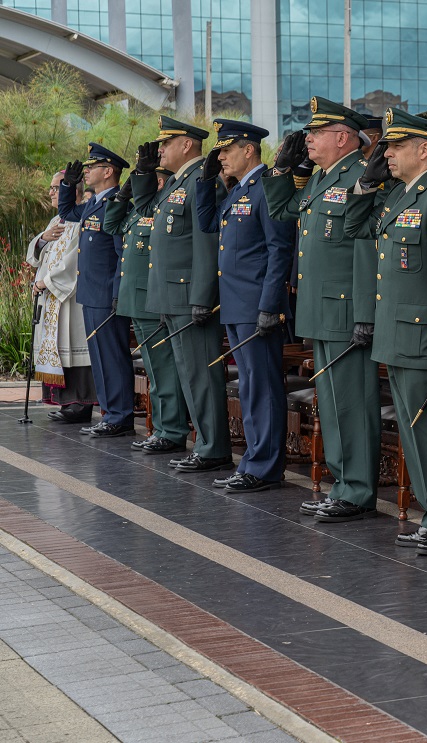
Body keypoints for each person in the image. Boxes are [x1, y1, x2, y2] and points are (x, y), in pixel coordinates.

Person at [345, 108, 427, 554]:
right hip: (397, 335)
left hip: (425, 336)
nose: (388, 154)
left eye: (396, 147)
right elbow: (355, 227)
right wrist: (366, 183)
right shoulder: (401, 195)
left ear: (425, 149)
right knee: (413, 430)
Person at [263, 98, 381, 522]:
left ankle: (358, 490)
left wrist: (365, 313)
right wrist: (280, 171)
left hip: (346, 309)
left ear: (343, 138)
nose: (308, 139)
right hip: (319, 307)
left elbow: (367, 251)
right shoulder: (317, 179)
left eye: (316, 133)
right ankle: (344, 485)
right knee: (330, 403)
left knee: (350, 401)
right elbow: (281, 211)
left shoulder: (361, 177)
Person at [195, 119, 295, 492]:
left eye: (226, 149)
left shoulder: (267, 188)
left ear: (248, 149)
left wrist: (270, 305)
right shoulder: (240, 190)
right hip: (236, 304)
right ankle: (254, 461)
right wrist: (205, 182)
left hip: (256, 306)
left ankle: (264, 466)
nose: (220, 156)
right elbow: (207, 222)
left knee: (262, 386)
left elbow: (278, 249)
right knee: (250, 386)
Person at [133, 116, 233, 473]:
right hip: (171, 296)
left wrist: (202, 297)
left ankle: (213, 447)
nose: (160, 149)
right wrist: (143, 174)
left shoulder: (201, 182)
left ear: (187, 145)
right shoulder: (176, 182)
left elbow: (207, 243)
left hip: (190, 296)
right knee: (188, 375)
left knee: (201, 375)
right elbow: (144, 211)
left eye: (166, 143)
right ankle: (205, 444)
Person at [103, 160, 191, 454]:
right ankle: (163, 429)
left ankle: (173, 431)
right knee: (155, 372)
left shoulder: (157, 213)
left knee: (165, 371)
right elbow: (111, 225)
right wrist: (121, 196)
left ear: (160, 183)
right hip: (135, 300)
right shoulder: (138, 212)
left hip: (151, 301)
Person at [58, 143, 134, 438]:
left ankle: (121, 415)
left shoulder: (117, 202)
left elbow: (120, 254)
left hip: (106, 293)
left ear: (108, 171)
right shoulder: (94, 203)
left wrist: (117, 292)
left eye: (92, 167)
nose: (87, 171)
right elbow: (67, 211)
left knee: (113, 355)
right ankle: (109, 412)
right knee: (99, 357)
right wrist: (67, 185)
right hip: (91, 293)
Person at [27, 171, 95, 422]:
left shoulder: (80, 219)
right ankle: (64, 401)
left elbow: (73, 260)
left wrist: (48, 282)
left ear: (73, 191)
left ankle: (79, 404)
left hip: (69, 298)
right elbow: (35, 256)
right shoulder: (56, 219)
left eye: (56, 188)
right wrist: (42, 239)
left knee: (72, 349)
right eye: (52, 188)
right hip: (50, 295)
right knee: (56, 349)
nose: (51, 193)